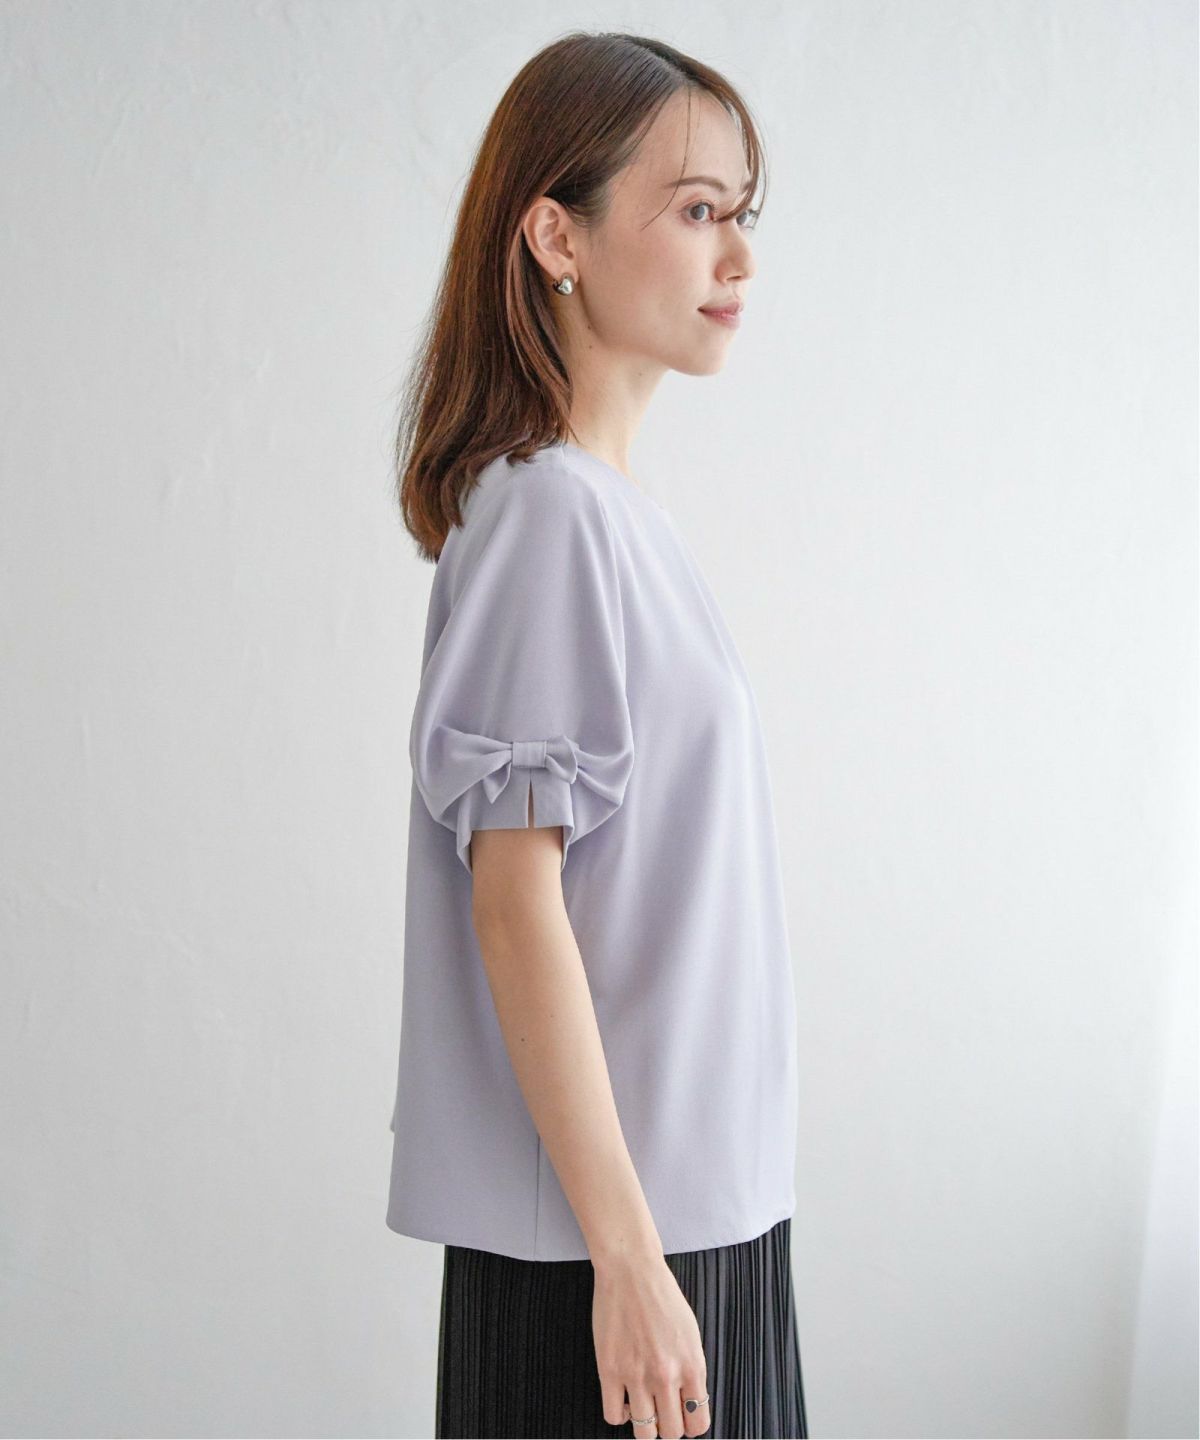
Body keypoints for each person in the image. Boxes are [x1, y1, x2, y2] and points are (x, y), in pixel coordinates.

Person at [386, 30, 808, 1440]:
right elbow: (516, 902)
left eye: (742, 211)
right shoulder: (551, 515)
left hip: (688, 1219)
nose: (738, 255)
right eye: (696, 210)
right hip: (613, 1249)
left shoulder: (612, 518)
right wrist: (627, 1260)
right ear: (555, 235)